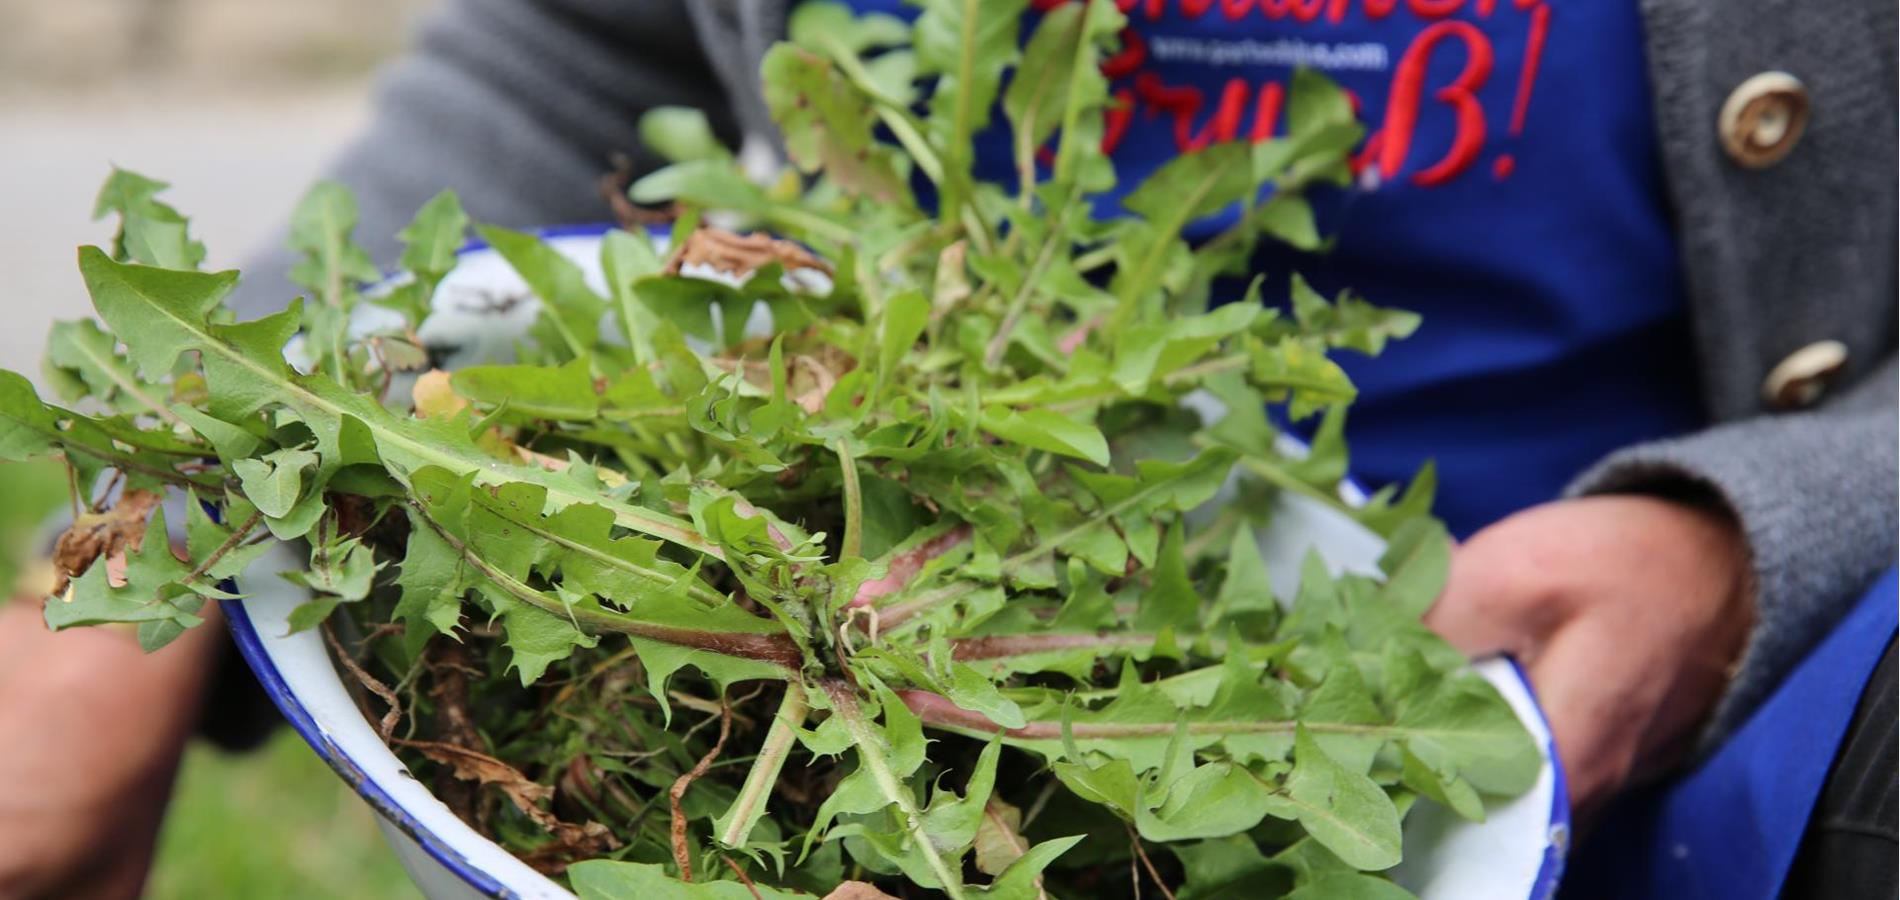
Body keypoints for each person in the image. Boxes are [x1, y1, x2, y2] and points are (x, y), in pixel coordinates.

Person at [0, 0, 1892, 896]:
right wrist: (156, 517)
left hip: (1701, 724)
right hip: (1014, 628)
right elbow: (566, 52)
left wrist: (1749, 542)